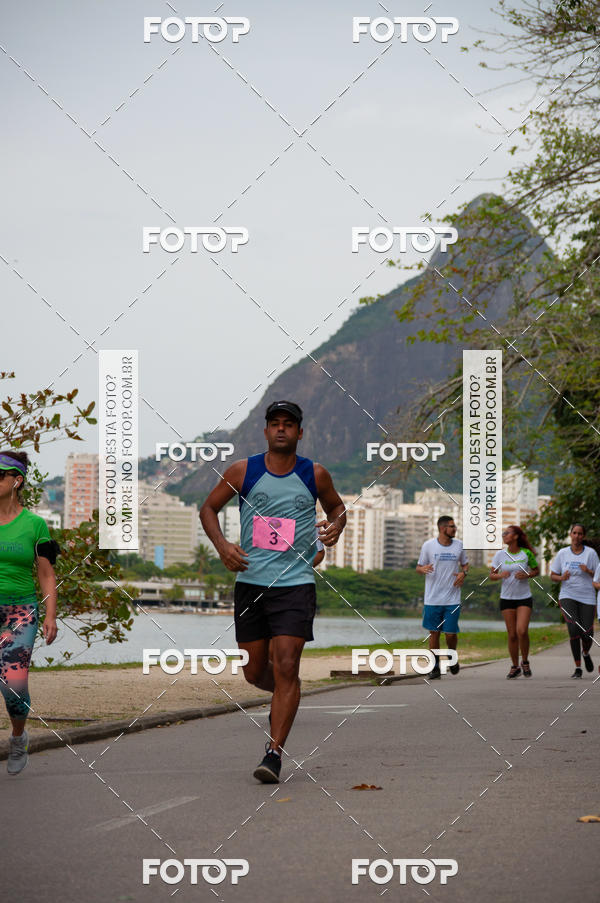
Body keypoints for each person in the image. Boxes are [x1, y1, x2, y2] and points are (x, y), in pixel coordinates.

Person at [200, 401, 346, 783]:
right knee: (254, 672)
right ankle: (286, 694)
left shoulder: (315, 474)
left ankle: (274, 752)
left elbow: (338, 509)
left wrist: (335, 528)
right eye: (275, 424)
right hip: (250, 584)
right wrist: (222, 546)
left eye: (289, 424)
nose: (282, 430)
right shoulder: (242, 471)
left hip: (296, 585)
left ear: (300, 432)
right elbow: (208, 509)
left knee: (286, 664)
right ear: (265, 431)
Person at [0, 451, 59, 774]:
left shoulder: (35, 525)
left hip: (20, 610)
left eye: (0, 475)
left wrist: (50, 615)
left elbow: (46, 573)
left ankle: (18, 737)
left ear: (16, 481)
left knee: (13, 683)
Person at [416, 516, 469, 679]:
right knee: (434, 633)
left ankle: (452, 657)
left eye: (455, 526)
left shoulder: (459, 546)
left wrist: (463, 573)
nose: (455, 529)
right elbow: (418, 567)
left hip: (452, 599)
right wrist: (423, 569)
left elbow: (465, 564)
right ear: (442, 528)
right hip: (432, 599)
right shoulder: (428, 546)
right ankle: (435, 667)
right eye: (452, 527)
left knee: (451, 634)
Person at [490, 526, 540, 678]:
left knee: (522, 631)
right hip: (506, 599)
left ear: (516, 536)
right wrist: (500, 576)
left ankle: (525, 661)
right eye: (503, 533)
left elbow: (536, 570)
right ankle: (515, 666)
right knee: (512, 635)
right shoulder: (500, 555)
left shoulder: (526, 553)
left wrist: (527, 575)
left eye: (507, 533)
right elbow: (492, 575)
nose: (504, 535)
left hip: (524, 597)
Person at [551, 523, 599, 678]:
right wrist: (561, 577)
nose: (577, 536)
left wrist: (588, 571)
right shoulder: (563, 553)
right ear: (570, 534)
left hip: (587, 596)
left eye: (580, 534)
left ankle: (585, 653)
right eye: (574, 533)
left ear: (583, 536)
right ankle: (578, 668)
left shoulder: (590, 554)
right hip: (567, 595)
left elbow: (598, 577)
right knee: (573, 629)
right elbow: (553, 575)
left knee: (587, 633)